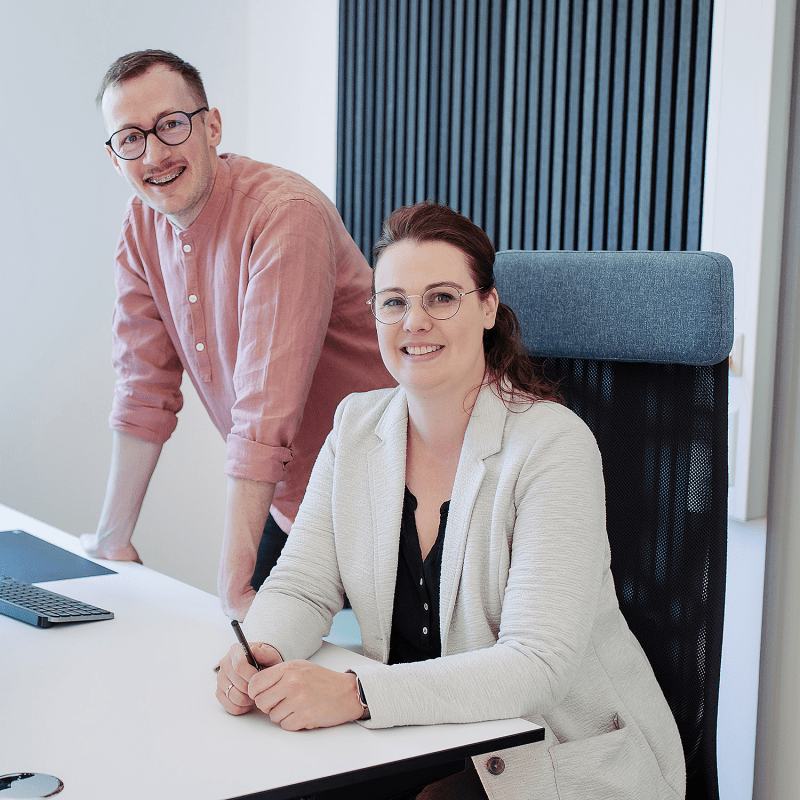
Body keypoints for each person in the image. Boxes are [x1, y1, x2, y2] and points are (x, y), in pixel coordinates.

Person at [214, 201, 686, 799]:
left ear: (487, 307)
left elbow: (535, 664)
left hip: (554, 761)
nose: (414, 321)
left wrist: (358, 693)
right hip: (418, 742)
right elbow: (303, 586)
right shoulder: (356, 427)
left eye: (441, 297)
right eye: (394, 302)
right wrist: (263, 650)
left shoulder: (553, 446)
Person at [79, 50, 392, 620]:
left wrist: (233, 589)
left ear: (212, 127)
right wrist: (111, 540)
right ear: (113, 157)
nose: (154, 154)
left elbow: (264, 414)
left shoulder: (284, 214)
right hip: (291, 507)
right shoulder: (141, 224)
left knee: (323, 669)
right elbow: (143, 389)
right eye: (131, 138)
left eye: (171, 125)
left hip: (388, 507)